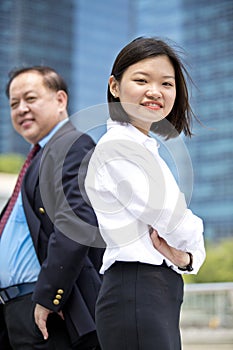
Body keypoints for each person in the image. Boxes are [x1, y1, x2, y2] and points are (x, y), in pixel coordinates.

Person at [85, 37, 206, 350]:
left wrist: (187, 257)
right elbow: (172, 218)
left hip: (154, 292)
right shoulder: (119, 147)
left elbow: (175, 225)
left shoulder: (145, 150)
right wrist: (193, 244)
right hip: (135, 291)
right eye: (141, 80)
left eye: (167, 83)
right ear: (114, 86)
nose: (156, 91)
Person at [0, 66, 103, 350]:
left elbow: (77, 221)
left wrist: (48, 297)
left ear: (60, 100)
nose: (21, 109)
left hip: (46, 310)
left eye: (30, 98)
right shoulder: (39, 157)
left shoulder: (70, 144)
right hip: (18, 309)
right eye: (13, 104)